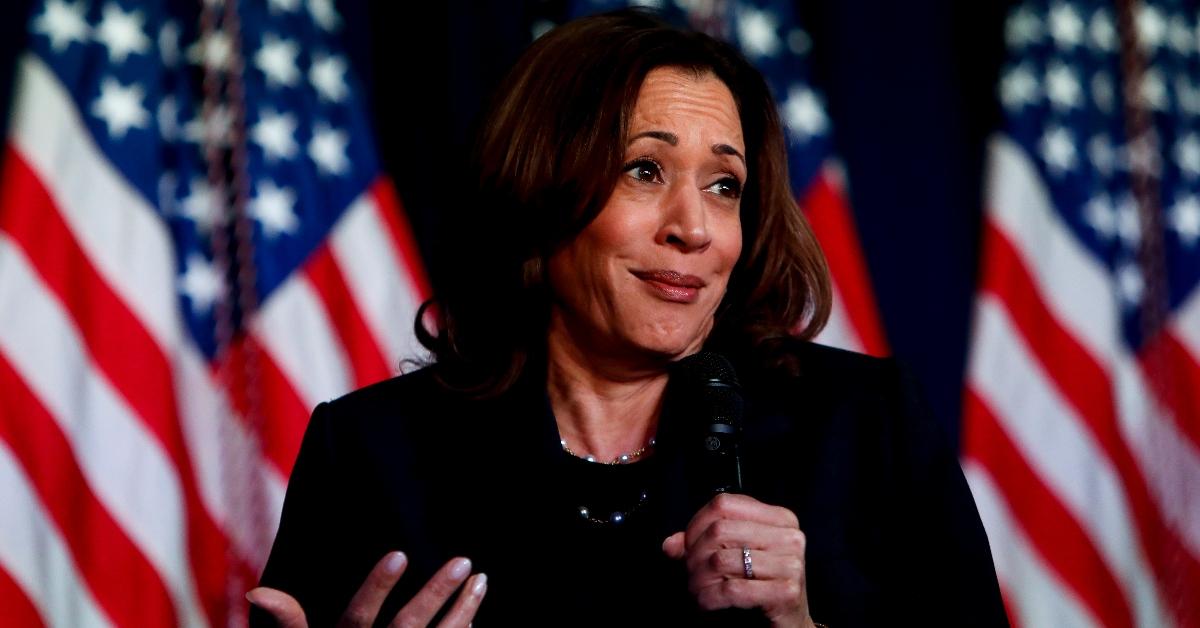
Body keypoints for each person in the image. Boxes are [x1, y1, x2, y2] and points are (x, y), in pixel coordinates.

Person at [247, 9, 1008, 627]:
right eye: (644, 170)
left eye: (723, 185)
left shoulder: (866, 430)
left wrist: (798, 625)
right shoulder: (372, 453)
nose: (695, 228)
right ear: (540, 187)